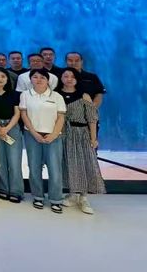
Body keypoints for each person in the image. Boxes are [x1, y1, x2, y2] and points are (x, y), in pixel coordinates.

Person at [56, 68, 105, 214]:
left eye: (72, 76)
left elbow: (92, 117)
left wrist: (93, 138)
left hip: (81, 134)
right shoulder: (56, 95)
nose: (69, 79)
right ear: (61, 78)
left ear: (77, 79)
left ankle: (84, 197)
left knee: (84, 164)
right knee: (68, 164)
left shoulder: (84, 96)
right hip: (63, 134)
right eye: (66, 76)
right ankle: (72, 194)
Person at [19, 69, 66, 213]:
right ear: (30, 79)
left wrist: (54, 134)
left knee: (55, 168)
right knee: (34, 167)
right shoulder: (25, 95)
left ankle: (56, 199)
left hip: (53, 136)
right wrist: (34, 133)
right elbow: (24, 115)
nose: (38, 80)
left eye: (42, 77)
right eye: (35, 77)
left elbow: (61, 117)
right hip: (32, 135)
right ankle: (38, 197)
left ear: (48, 80)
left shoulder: (57, 96)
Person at [0, 67, 24, 203]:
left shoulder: (15, 94)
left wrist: (7, 128)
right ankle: (3, 188)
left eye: (3, 76)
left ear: (8, 79)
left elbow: (17, 113)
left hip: (12, 127)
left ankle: (16, 191)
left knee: (14, 161)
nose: (0, 79)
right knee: (0, 161)